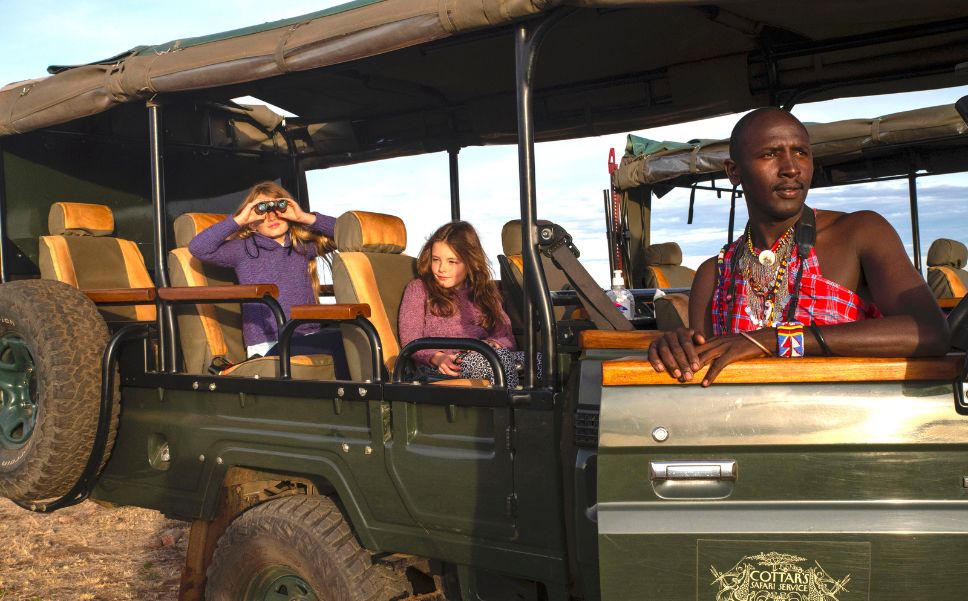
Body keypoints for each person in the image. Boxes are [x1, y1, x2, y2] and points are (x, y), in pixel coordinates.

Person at [648, 107, 950, 386]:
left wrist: (777, 339)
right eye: (770, 154)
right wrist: (676, 348)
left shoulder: (859, 232)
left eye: (801, 153)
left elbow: (930, 332)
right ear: (734, 172)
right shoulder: (714, 274)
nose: (791, 168)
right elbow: (705, 370)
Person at [188, 181, 349, 378]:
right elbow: (199, 248)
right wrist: (238, 220)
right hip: (269, 344)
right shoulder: (243, 249)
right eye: (262, 211)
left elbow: (345, 234)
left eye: (278, 208)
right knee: (340, 341)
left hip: (307, 334)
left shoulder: (301, 246)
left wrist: (303, 217)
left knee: (352, 339)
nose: (271, 216)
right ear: (252, 221)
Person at [398, 221, 537, 387]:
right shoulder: (419, 289)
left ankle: (547, 411)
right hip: (440, 368)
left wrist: (491, 343)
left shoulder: (483, 292)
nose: (442, 268)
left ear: (470, 262)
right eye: (436, 260)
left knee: (542, 361)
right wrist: (437, 357)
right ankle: (511, 411)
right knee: (501, 361)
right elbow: (410, 340)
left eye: (452, 262)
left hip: (483, 355)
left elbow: (506, 338)